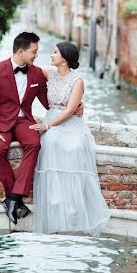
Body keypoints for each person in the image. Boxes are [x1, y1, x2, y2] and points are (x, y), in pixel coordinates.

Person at [30, 41, 110, 235]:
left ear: (64, 58)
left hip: (68, 122)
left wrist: (49, 125)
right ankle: (54, 204)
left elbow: (70, 110)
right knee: (49, 142)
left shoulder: (78, 81)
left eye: (55, 52)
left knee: (75, 146)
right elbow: (28, 69)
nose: (51, 55)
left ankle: (73, 208)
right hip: (52, 117)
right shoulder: (49, 72)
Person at [0, 32, 48, 225]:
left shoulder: (37, 73)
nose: (36, 55)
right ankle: (12, 197)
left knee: (34, 143)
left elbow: (47, 102)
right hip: (0, 122)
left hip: (24, 120)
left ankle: (15, 197)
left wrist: (72, 108)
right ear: (20, 51)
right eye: (34, 52)